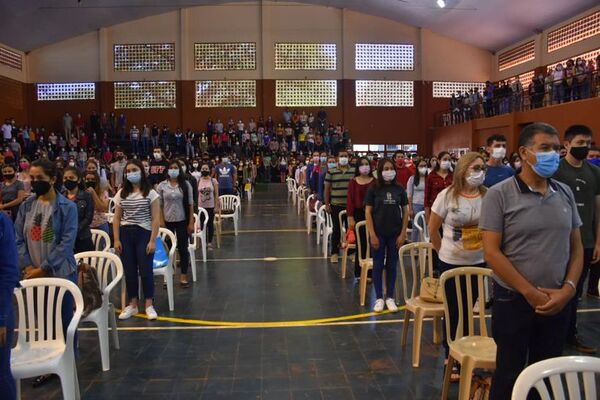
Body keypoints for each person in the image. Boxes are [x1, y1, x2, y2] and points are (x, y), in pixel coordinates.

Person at [480, 123, 583, 400]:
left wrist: (568, 289)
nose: (553, 154)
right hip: (514, 300)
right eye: (545, 148)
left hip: (557, 300)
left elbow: (576, 247)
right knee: (509, 374)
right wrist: (530, 292)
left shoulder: (564, 192)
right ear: (525, 153)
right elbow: (491, 252)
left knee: (546, 374)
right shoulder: (499, 194)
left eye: (556, 148)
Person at [14, 159, 78, 387]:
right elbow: (21, 239)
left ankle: (68, 361)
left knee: (63, 320)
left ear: (52, 179)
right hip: (33, 273)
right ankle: (48, 363)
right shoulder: (28, 206)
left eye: (39, 178)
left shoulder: (67, 207)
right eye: (32, 178)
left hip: (60, 272)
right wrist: (29, 266)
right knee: (43, 320)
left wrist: (44, 267)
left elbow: (66, 242)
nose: (34, 182)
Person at [428, 152, 487, 378]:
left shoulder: (488, 196)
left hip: (478, 262)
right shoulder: (447, 196)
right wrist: (441, 251)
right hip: (451, 262)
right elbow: (433, 229)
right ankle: (450, 355)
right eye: (475, 168)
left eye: (482, 168)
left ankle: (466, 351)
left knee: (468, 309)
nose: (479, 173)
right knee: (453, 309)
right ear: (463, 170)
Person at [552, 125, 600, 354]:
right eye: (580, 143)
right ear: (567, 144)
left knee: (575, 291)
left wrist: (598, 241)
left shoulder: (594, 173)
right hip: (559, 241)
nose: (585, 147)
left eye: (588, 143)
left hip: (587, 241)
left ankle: (570, 334)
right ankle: (552, 335)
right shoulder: (556, 170)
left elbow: (597, 209)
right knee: (556, 288)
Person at [113, 159, 161, 320]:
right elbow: (117, 218)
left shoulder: (151, 193)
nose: (130, 173)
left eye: (134, 170)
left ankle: (149, 304)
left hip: (144, 233)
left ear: (141, 171)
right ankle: (133, 304)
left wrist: (153, 240)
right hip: (126, 234)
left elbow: (155, 218)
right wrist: (116, 239)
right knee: (130, 271)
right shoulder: (121, 193)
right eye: (128, 171)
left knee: (146, 270)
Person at [365, 158, 409, 312]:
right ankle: (378, 297)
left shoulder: (399, 189)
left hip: (394, 234)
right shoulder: (373, 188)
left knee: (392, 265)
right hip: (378, 233)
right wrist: (372, 234)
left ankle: (390, 297)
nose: (389, 171)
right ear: (380, 170)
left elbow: (405, 211)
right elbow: (368, 212)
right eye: (385, 168)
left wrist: (403, 233)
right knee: (378, 265)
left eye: (391, 168)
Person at [157, 161, 194, 287]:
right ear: (167, 170)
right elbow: (159, 205)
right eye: (171, 168)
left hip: (182, 220)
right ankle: (168, 274)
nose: (173, 170)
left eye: (175, 168)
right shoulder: (162, 186)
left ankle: (183, 275)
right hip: (167, 222)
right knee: (167, 250)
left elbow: (190, 204)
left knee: (183, 249)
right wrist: (161, 222)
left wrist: (191, 222)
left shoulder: (186, 185)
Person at [346, 156, 375, 278]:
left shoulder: (375, 181)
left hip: (373, 215)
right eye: (362, 164)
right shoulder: (353, 181)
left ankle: (371, 272)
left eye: (367, 164)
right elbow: (350, 201)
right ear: (358, 167)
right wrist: (350, 217)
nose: (365, 166)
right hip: (358, 215)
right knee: (361, 243)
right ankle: (359, 272)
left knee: (372, 242)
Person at [0, 212, 19, 400]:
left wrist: (1, 317)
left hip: (55, 269)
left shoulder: (2, 222)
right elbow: (23, 236)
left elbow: (7, 272)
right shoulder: (29, 207)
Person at [325, 150, 355, 263]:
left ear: (349, 157)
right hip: (335, 205)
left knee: (351, 230)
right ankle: (334, 253)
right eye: (341, 156)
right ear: (338, 158)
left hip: (350, 207)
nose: (343, 158)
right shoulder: (331, 171)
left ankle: (351, 253)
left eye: (345, 156)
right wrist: (327, 204)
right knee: (336, 229)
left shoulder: (353, 171)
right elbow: (327, 189)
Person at [63, 166, 95, 253]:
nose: (68, 180)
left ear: (79, 180)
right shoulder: (60, 197)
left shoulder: (86, 196)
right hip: (64, 239)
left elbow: (88, 218)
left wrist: (74, 229)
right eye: (65, 178)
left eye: (71, 178)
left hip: (82, 238)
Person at [424, 152, 453, 221]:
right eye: (445, 159)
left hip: (451, 211)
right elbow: (427, 198)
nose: (447, 162)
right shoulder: (431, 176)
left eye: (449, 160)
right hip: (435, 210)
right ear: (439, 161)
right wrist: (427, 217)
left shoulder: (453, 176)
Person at [198, 162, 220, 249]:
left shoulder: (213, 181)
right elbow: (196, 193)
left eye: (206, 169)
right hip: (200, 207)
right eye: (203, 169)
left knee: (210, 224)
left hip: (210, 206)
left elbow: (216, 194)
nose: (204, 170)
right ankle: (202, 241)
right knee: (202, 224)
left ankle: (209, 242)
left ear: (209, 170)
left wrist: (216, 206)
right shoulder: (198, 180)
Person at [406, 159, 428, 242]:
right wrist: (410, 208)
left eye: (425, 166)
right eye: (421, 166)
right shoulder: (412, 179)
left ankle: (425, 246)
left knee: (426, 227)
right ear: (417, 167)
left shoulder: (429, 178)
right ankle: (414, 246)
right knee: (416, 227)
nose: (423, 168)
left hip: (427, 205)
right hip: (416, 205)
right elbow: (409, 194)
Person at [84, 171, 110, 235]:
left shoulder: (103, 193)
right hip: (86, 227)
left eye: (93, 179)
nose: (90, 181)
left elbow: (103, 209)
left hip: (100, 225)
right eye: (87, 179)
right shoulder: (81, 193)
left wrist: (93, 193)